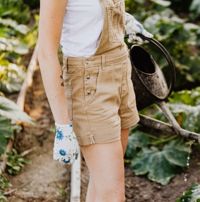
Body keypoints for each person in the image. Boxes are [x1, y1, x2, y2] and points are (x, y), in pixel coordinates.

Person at [37, 0, 152, 201]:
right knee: (113, 194)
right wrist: (62, 124)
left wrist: (124, 20)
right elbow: (45, 52)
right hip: (89, 84)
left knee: (103, 186)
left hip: (120, 73)